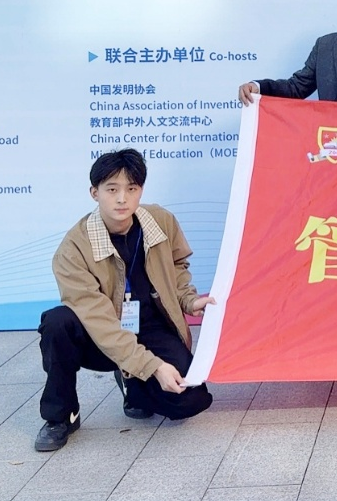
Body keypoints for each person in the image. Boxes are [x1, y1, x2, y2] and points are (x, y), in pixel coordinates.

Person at [35, 149, 213, 451]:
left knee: (191, 400)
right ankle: (60, 416)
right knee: (57, 323)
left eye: (131, 189)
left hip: (152, 326)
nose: (122, 199)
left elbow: (177, 265)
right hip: (101, 335)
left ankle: (132, 385)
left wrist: (188, 300)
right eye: (112, 189)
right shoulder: (73, 249)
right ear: (94, 193)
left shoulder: (161, 221)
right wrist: (153, 366)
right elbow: (100, 323)